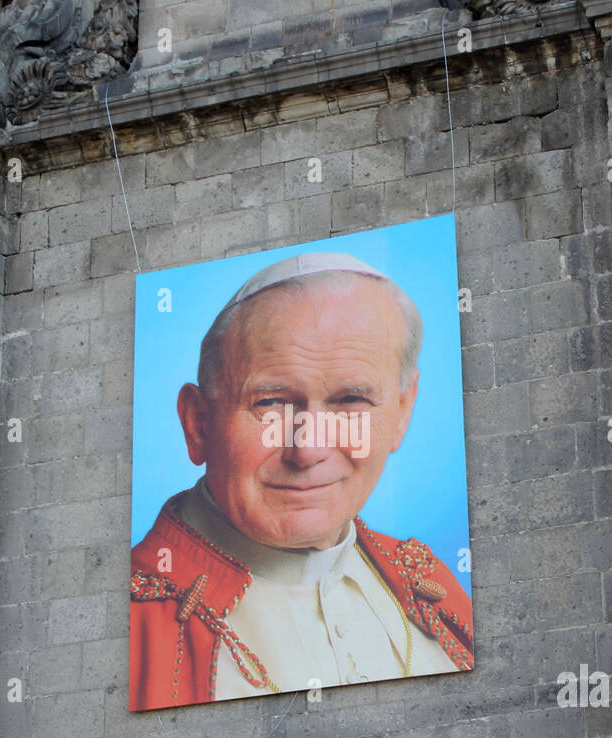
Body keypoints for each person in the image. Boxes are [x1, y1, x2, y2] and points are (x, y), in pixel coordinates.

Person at [129, 252, 473, 711]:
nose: (307, 450)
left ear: (402, 412)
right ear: (198, 424)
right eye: (271, 403)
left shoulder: (429, 582)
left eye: (351, 399)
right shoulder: (130, 624)